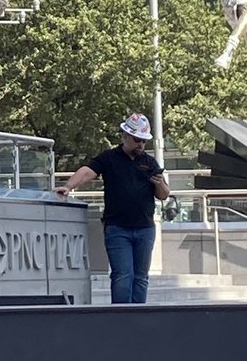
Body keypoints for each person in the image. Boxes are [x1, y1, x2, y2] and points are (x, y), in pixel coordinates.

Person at [55, 113, 169, 304]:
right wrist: (68, 186)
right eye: (137, 140)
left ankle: (139, 317)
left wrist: (160, 184)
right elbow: (86, 171)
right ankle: (121, 317)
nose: (140, 145)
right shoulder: (109, 158)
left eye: (143, 141)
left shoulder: (149, 163)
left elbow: (163, 194)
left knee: (140, 278)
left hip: (144, 227)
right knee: (123, 276)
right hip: (117, 227)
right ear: (125, 136)